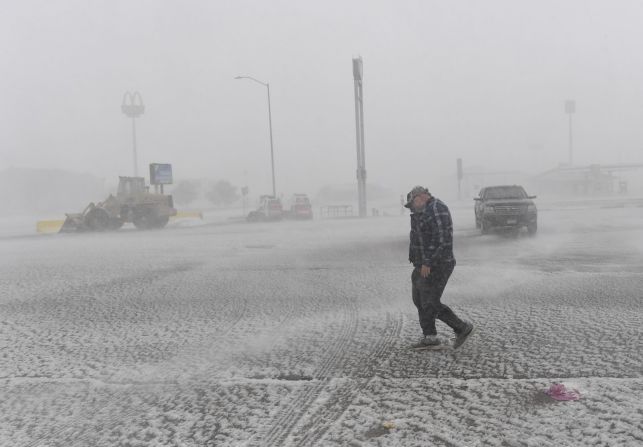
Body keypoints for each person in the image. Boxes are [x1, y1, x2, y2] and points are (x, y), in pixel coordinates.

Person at [405, 186, 474, 349]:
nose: (412, 208)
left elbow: (441, 239)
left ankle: (462, 328)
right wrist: (416, 259)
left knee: (430, 301)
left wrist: (428, 262)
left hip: (439, 264)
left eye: (412, 203)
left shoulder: (437, 208)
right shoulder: (421, 212)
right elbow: (419, 237)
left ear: (421, 196)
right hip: (423, 264)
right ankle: (430, 336)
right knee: (419, 300)